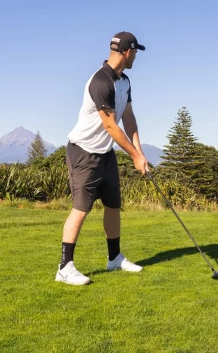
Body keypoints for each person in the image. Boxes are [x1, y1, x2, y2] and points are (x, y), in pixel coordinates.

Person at [55, 32, 150, 285]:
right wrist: (133, 155)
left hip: (105, 153)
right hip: (84, 151)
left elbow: (128, 118)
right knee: (81, 208)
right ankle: (64, 267)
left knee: (113, 205)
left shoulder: (124, 81)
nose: (136, 57)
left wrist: (139, 153)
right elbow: (110, 125)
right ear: (128, 52)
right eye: (136, 52)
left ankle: (114, 258)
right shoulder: (101, 82)